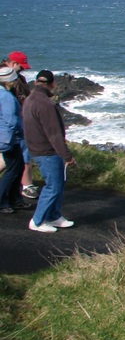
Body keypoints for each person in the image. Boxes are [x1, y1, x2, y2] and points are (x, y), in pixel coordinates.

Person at [22, 70, 76, 233]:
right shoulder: (45, 104)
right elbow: (54, 133)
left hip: (36, 148)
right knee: (52, 186)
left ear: (37, 82)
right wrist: (66, 155)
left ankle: (54, 216)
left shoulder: (30, 99)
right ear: (52, 84)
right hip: (46, 151)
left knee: (58, 183)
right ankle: (37, 221)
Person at [2, 51, 39, 199]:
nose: (23, 69)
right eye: (21, 66)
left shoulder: (15, 78)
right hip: (13, 123)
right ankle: (26, 186)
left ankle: (22, 187)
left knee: (14, 156)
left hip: (14, 122)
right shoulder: (8, 81)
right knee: (20, 155)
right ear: (12, 64)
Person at [0, 66, 30, 214]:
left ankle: (14, 199)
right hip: (10, 138)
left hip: (7, 137)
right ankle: (3, 201)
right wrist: (20, 131)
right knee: (13, 170)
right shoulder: (6, 97)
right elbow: (11, 120)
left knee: (17, 168)